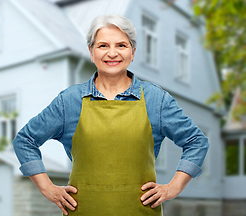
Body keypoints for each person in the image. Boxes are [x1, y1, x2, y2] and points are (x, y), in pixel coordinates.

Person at [13, 14, 209, 216]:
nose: (112, 53)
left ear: (133, 53)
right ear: (91, 52)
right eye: (103, 46)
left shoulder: (155, 100)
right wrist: (47, 188)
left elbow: (196, 141)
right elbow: (25, 140)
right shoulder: (70, 101)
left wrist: (173, 187)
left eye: (121, 46)